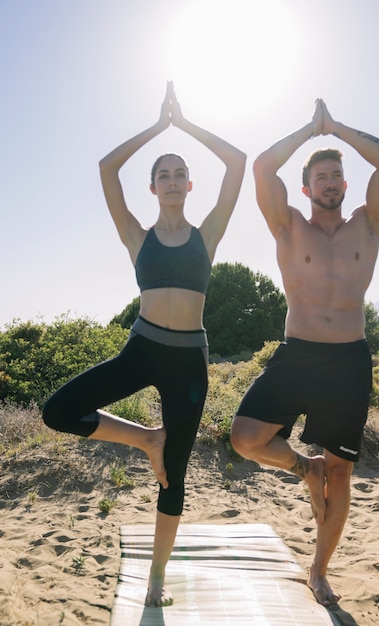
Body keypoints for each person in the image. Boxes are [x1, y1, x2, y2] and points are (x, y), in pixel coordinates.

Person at [42, 81, 246, 607]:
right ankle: (143, 438)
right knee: (59, 409)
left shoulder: (209, 234)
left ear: (189, 185)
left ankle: (157, 577)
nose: (173, 181)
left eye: (180, 174)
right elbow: (108, 170)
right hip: (143, 348)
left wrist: (188, 125)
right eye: (164, 175)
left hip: (190, 362)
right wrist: (159, 127)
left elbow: (238, 162)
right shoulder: (138, 236)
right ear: (153, 188)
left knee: (173, 476)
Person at [231, 99, 379, 607]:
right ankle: (304, 468)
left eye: (336, 176)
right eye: (320, 177)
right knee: (245, 438)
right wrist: (310, 130)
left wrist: (339, 130)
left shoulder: (369, 225)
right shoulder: (288, 227)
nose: (330, 182)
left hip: (349, 361)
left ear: (346, 184)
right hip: (298, 353)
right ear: (306, 188)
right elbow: (262, 167)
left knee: (342, 472)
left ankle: (319, 570)